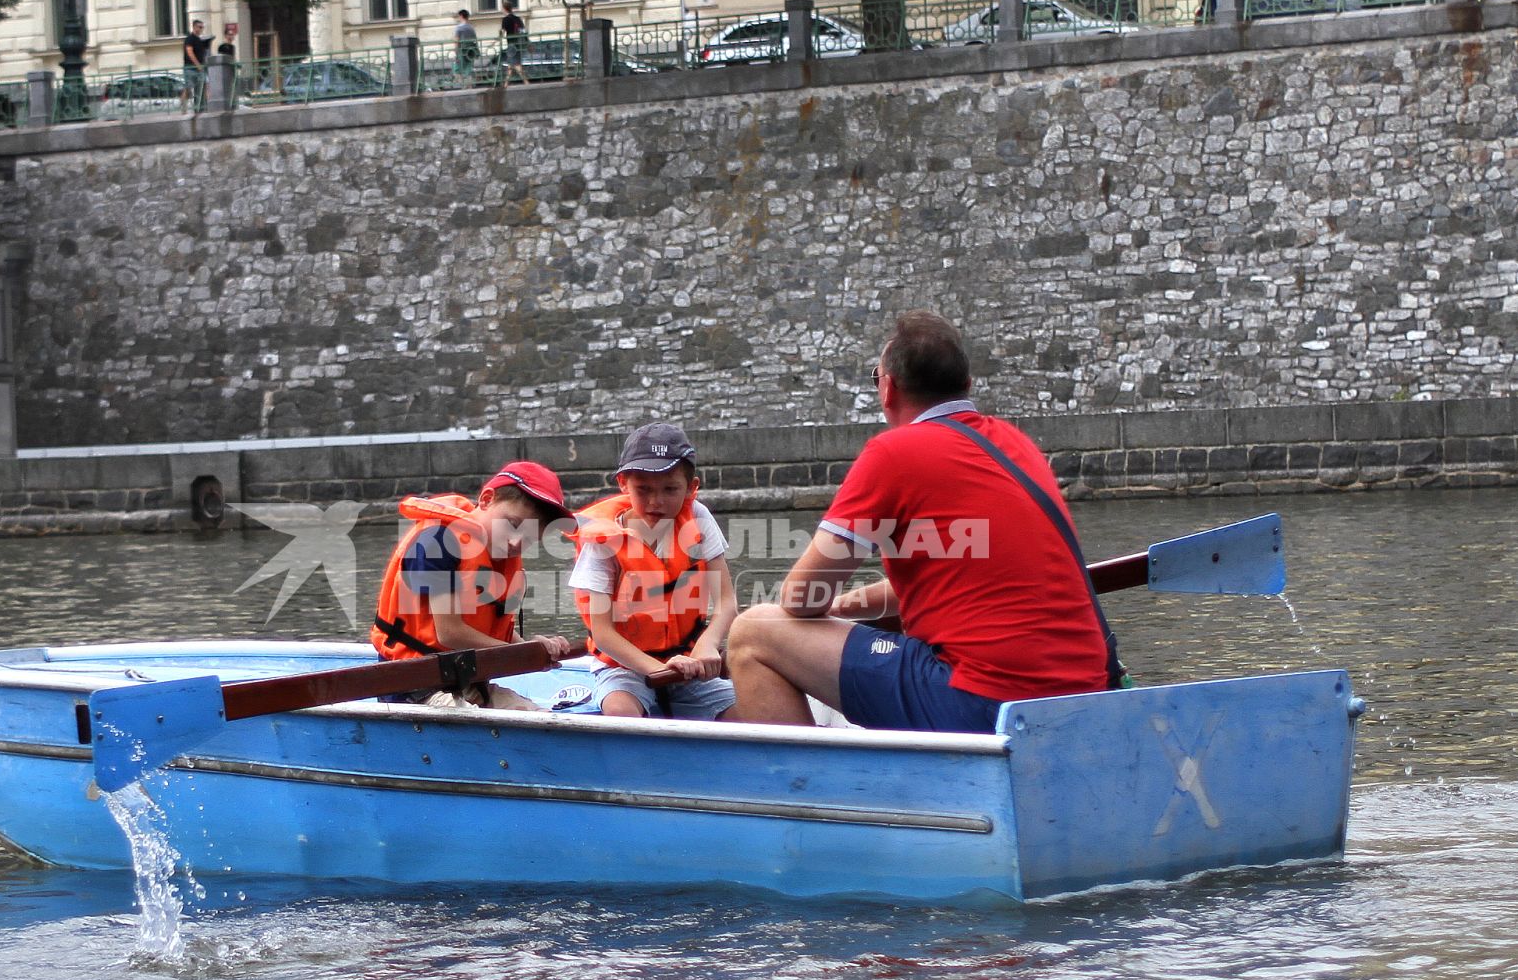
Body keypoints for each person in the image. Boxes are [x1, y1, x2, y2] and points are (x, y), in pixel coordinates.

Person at [725, 310, 1120, 733]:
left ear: (888, 389)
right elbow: (961, 579)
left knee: (754, 633)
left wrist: (824, 610)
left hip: (984, 699)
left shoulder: (893, 454)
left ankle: (811, 794)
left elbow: (800, 598)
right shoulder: (1015, 444)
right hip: (1083, 694)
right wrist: (845, 607)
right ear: (966, 386)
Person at [370, 462, 574, 710]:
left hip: (464, 679)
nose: (516, 542)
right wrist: (524, 654)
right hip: (411, 685)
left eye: (531, 538)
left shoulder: (502, 560)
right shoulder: (439, 543)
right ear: (487, 499)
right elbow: (450, 633)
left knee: (537, 717)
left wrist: (533, 648)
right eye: (512, 524)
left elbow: (495, 632)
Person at [570, 424, 738, 721]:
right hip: (623, 665)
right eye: (643, 489)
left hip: (689, 659)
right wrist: (660, 670)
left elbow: (726, 603)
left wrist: (707, 646)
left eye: (670, 489)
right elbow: (603, 634)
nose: (655, 502)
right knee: (621, 713)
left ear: (691, 487)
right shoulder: (603, 539)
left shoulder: (698, 517)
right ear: (623, 483)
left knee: (748, 713)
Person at [180, 18, 212, 110]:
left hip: (199, 68)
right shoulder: (190, 39)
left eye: (202, 27)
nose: (201, 29)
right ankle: (183, 107)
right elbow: (190, 52)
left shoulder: (199, 40)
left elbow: (203, 53)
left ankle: (201, 107)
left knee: (203, 86)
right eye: (200, 27)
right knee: (188, 88)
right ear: (194, 27)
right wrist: (198, 65)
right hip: (190, 67)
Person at [499, 1, 530, 86]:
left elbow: (502, 32)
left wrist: (498, 37)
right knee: (511, 64)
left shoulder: (505, 19)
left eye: (502, 8)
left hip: (511, 44)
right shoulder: (517, 18)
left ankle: (526, 82)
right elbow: (523, 31)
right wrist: (527, 42)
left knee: (516, 64)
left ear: (504, 9)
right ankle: (506, 84)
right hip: (519, 43)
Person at [453, 10, 479, 75]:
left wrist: (455, 50)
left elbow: (456, 40)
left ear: (461, 16)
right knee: (468, 69)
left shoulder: (459, 27)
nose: (458, 18)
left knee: (458, 68)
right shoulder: (471, 27)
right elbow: (474, 39)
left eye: (458, 16)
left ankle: (462, 82)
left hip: (462, 50)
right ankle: (468, 83)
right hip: (470, 50)